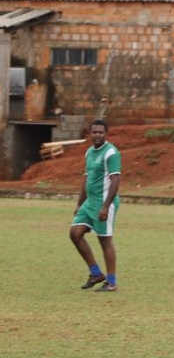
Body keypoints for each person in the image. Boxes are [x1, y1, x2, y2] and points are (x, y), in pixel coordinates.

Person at [70, 119, 122, 292]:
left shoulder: (111, 153)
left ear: (105, 133)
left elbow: (116, 180)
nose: (97, 135)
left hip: (104, 203)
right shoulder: (89, 152)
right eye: (94, 132)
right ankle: (96, 273)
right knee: (75, 233)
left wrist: (106, 206)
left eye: (100, 132)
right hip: (89, 203)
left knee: (104, 240)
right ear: (90, 133)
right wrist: (79, 203)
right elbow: (87, 179)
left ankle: (112, 281)